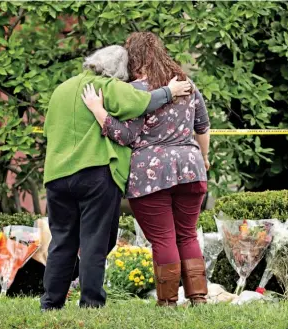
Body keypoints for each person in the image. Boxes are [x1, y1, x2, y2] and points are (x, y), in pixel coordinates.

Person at [41, 45, 192, 310]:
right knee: (95, 241)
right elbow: (143, 101)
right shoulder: (108, 86)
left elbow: (48, 130)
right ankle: (90, 302)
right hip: (95, 174)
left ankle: (51, 303)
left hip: (57, 176)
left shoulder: (61, 90)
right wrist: (171, 91)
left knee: (62, 239)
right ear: (118, 71)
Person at [81, 32, 211, 307]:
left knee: (163, 237)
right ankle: (198, 297)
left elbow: (124, 135)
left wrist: (98, 110)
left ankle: (167, 301)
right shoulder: (186, 84)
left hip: (150, 174)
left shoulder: (136, 91)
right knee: (187, 233)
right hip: (191, 167)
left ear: (134, 59)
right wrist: (205, 157)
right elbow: (203, 125)